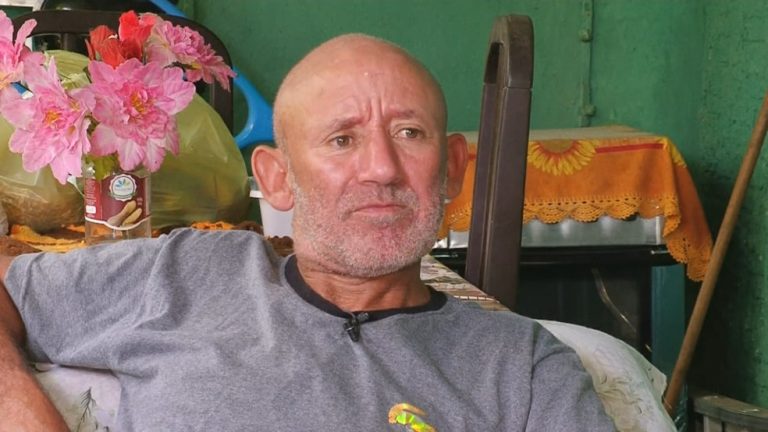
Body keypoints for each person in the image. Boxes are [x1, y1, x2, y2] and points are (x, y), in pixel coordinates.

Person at [0, 34, 617, 431]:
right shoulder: (186, 273)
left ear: (452, 168)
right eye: (342, 140)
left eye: (409, 133)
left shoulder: (521, 367)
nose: (381, 169)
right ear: (277, 179)